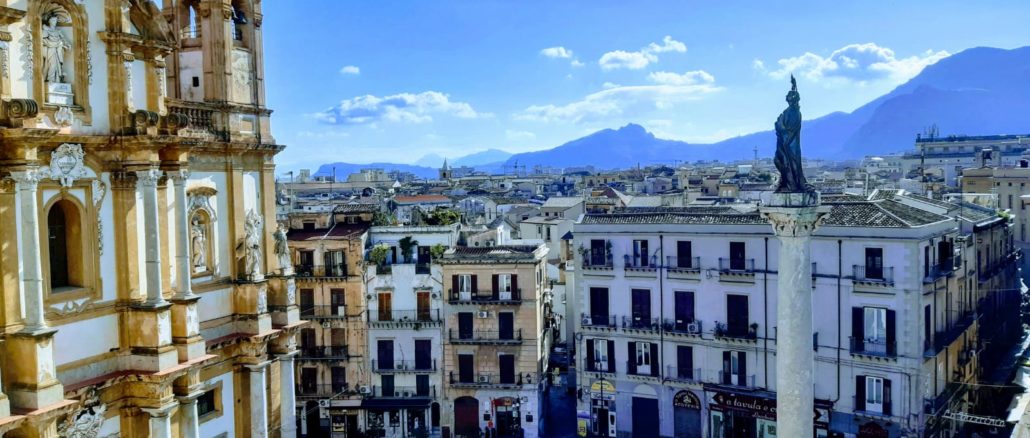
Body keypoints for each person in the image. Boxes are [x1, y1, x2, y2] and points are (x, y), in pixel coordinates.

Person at [41, 14, 70, 83]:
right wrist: (52, 44)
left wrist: (67, 44)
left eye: (56, 20)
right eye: (53, 20)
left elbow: (64, 40)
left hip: (58, 50)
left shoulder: (58, 31)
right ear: (49, 21)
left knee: (58, 66)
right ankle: (51, 79)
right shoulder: (46, 30)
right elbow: (42, 41)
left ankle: (57, 79)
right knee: (52, 64)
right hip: (51, 50)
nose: (55, 22)